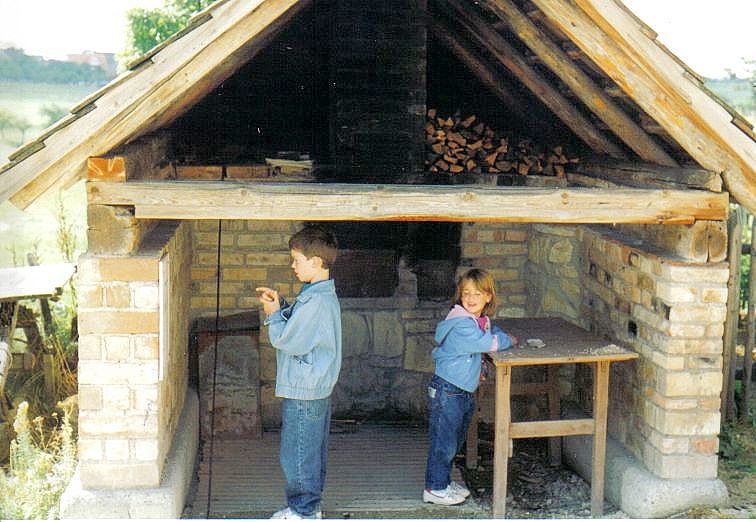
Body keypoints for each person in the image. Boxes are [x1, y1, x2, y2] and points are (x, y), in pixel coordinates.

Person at [256, 226, 341, 520]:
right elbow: (303, 328)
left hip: (304, 388)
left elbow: (287, 340)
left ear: (316, 262)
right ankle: (309, 507)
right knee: (310, 451)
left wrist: (272, 316)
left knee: (298, 453)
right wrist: (282, 307)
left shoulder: (316, 301)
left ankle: (303, 511)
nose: (292, 266)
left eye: (297, 260)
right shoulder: (317, 295)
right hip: (314, 385)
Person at [423, 268, 517, 506]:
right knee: (444, 442)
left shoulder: (477, 320)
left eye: (478, 293)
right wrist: (509, 340)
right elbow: (488, 342)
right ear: (460, 296)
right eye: (466, 293)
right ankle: (434, 488)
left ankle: (442, 481)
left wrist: (497, 332)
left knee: (455, 439)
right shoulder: (462, 324)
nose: (471, 298)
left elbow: (489, 329)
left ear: (488, 296)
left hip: (462, 390)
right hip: (448, 389)